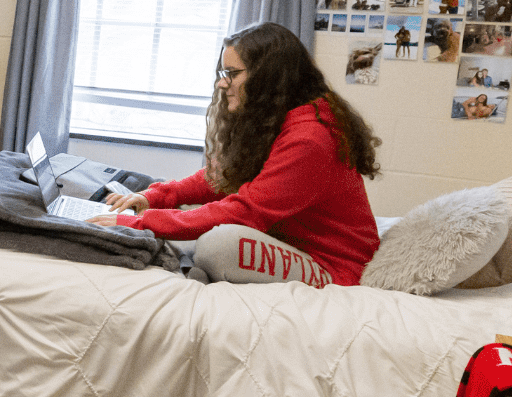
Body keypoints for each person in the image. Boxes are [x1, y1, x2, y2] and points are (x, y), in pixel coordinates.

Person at [87, 22, 381, 288]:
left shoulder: (310, 139)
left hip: (334, 269)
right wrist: (155, 197)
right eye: (223, 73)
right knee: (199, 229)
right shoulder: (277, 119)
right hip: (294, 244)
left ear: (268, 78)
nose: (221, 83)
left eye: (232, 74)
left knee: (218, 244)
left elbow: (245, 211)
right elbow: (222, 176)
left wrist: (141, 222)